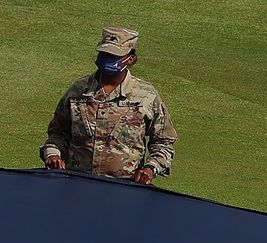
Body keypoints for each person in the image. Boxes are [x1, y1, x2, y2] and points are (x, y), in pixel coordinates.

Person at [40, 27, 177, 185]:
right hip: (76, 184)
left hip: (124, 189)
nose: (107, 59)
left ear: (131, 59)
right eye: (104, 54)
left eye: (114, 56)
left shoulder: (146, 96)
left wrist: (151, 168)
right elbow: (58, 133)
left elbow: (163, 142)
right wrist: (53, 154)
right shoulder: (78, 91)